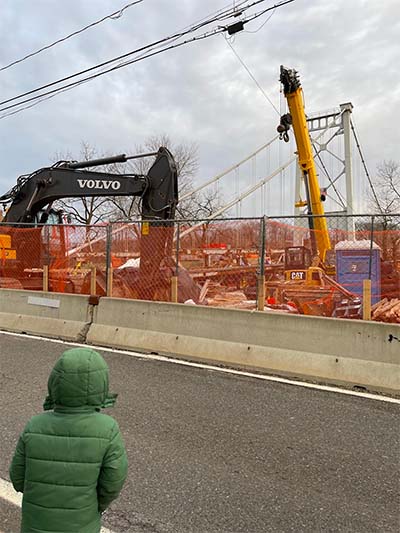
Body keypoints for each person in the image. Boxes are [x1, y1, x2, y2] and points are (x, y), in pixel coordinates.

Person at [9, 347, 128, 533]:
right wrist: (94, 506)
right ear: (101, 384)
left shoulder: (34, 426)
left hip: (35, 525)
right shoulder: (108, 429)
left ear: (55, 382)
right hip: (82, 525)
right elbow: (113, 482)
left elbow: (17, 477)